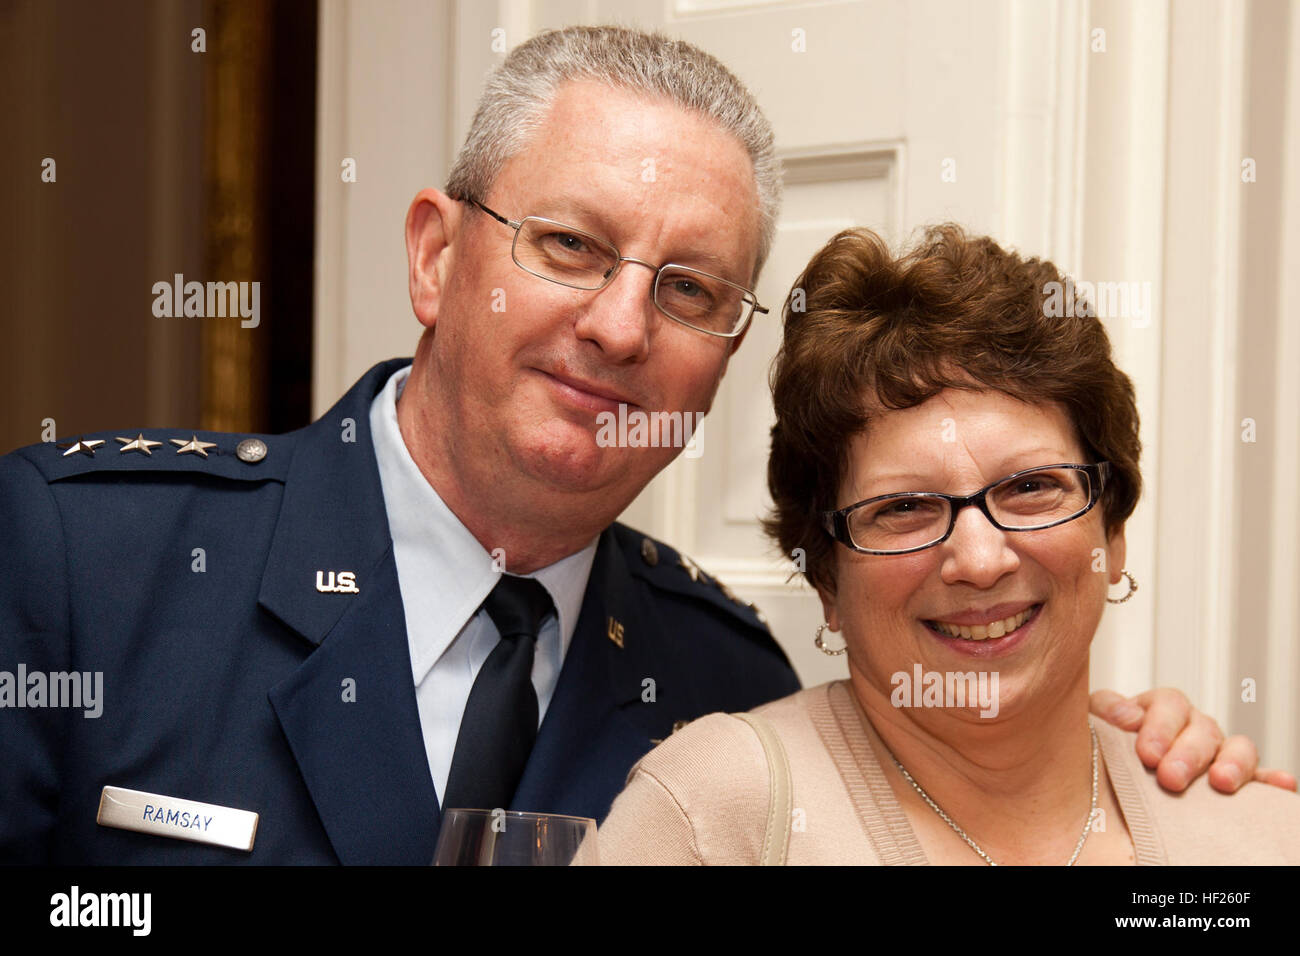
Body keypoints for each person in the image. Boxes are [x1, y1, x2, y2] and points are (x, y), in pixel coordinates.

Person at [0, 28, 1271, 866]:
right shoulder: (82, 561)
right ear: (438, 257)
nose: (615, 326)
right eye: (568, 246)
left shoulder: (717, 678)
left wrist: (1136, 757)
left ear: (726, 351)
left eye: (688, 289)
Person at [597, 224, 1300, 865]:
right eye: (904, 508)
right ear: (828, 582)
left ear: (1112, 534)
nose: (981, 560)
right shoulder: (712, 817)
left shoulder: (1259, 839)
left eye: (1030, 488)